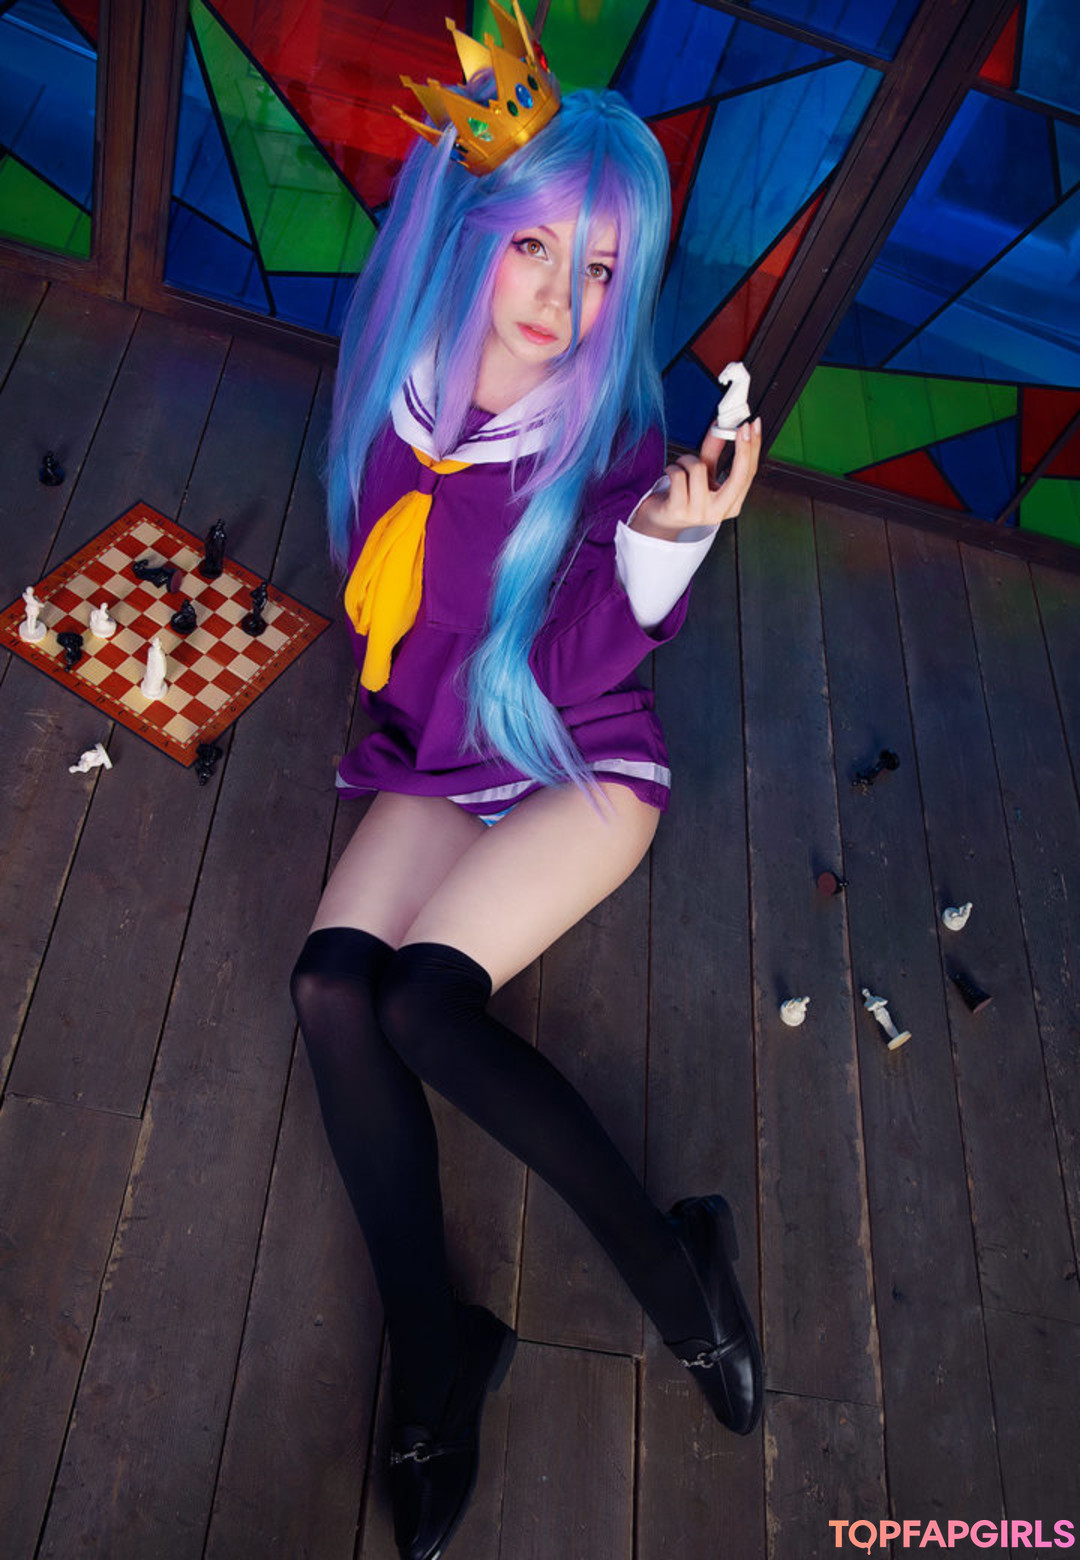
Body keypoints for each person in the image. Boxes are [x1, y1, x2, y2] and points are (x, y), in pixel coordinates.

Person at [290, 9, 763, 1559]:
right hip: (448, 752)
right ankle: (441, 1351)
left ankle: (680, 1278)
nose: (564, 298)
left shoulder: (606, 444)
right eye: (540, 250)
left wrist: (664, 540)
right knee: (330, 992)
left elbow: (569, 670)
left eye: (604, 270)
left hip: (574, 756)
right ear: (477, 235)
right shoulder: (406, 387)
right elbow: (405, 622)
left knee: (425, 1007)